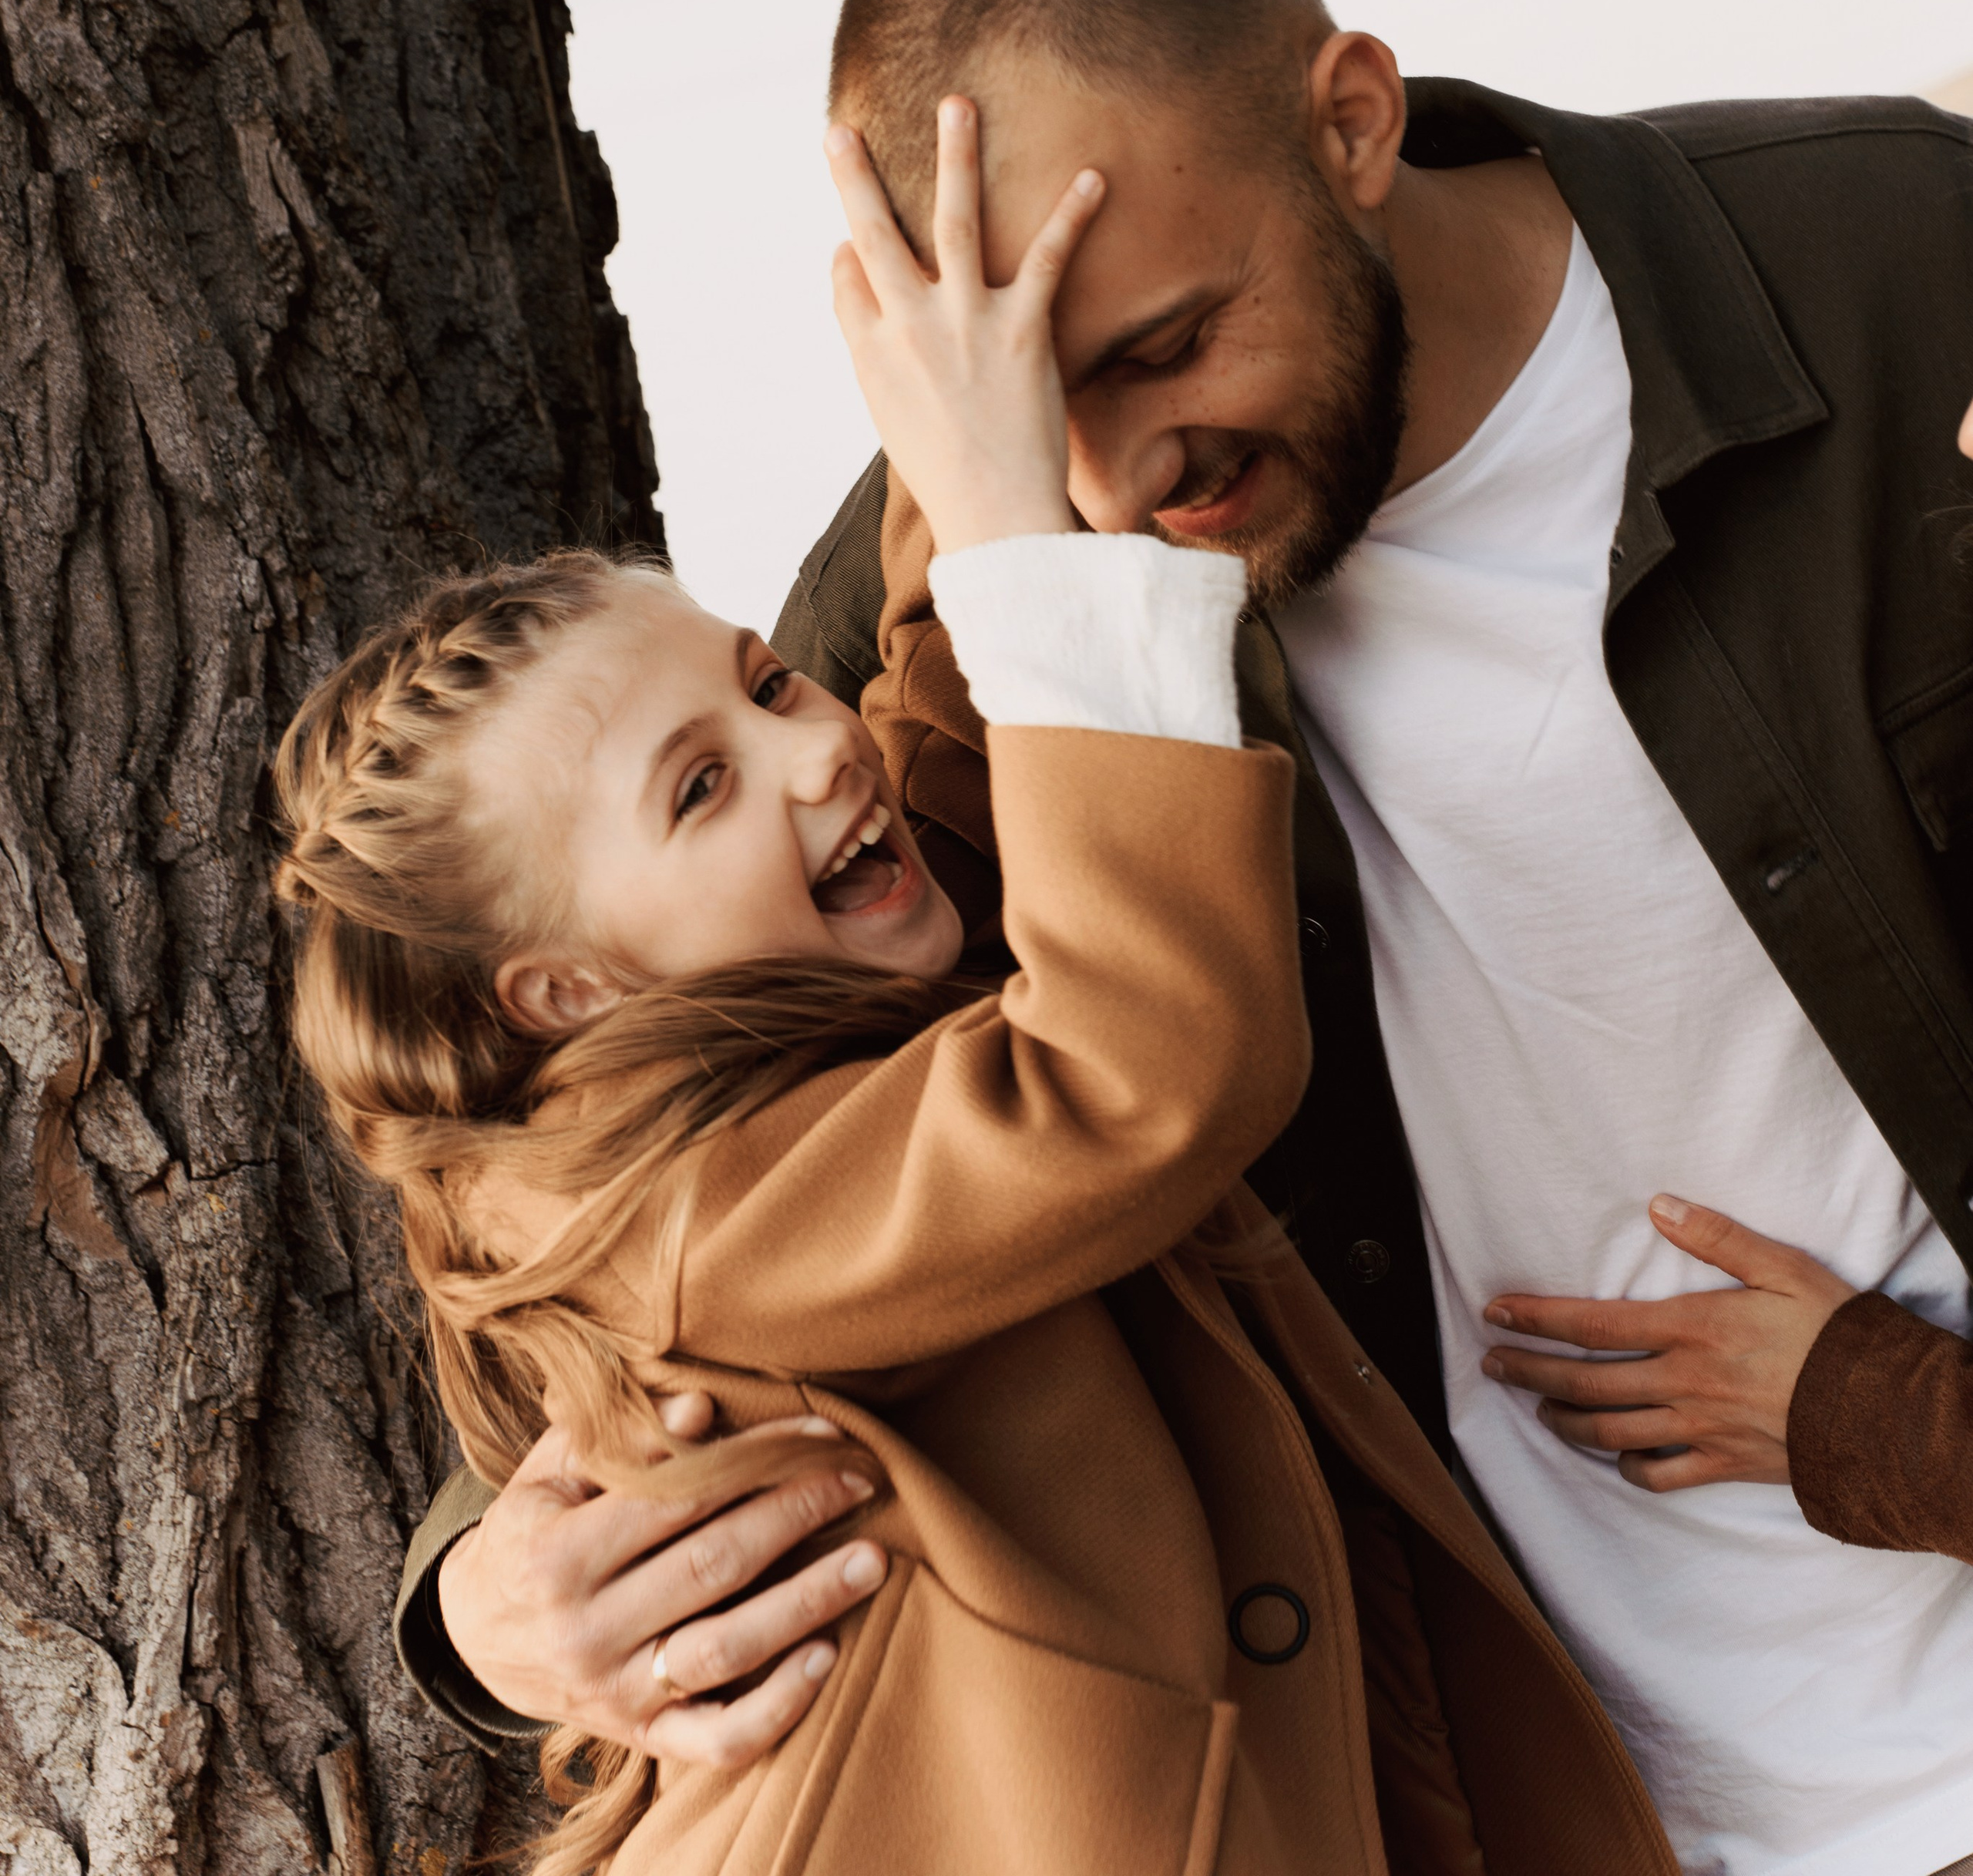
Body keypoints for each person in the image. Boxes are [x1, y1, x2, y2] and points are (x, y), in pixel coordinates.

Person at [405, 0, 1973, 1876]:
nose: (1124, 475)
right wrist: (488, 1603)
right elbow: (666, 1143)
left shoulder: (1889, 283)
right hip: (1564, 1809)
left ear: (1351, 121)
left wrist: (1898, 1426)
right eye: (1027, 404)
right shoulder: (985, 567)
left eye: (1165, 347)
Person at [287, 103, 1672, 1873]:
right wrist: (1022, 521)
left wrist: (966, 421)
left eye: (768, 686)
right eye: (697, 787)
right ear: (567, 992)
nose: (806, 755)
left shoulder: (788, 1016)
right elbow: (1139, 1067)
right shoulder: (707, 1214)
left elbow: (944, 728)